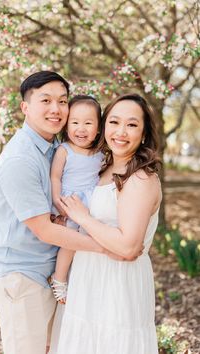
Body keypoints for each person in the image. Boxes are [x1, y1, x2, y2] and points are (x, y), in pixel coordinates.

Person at [0, 71, 128, 354]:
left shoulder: (54, 147)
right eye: (46, 100)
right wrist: (110, 245)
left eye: (62, 101)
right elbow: (45, 229)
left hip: (49, 272)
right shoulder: (20, 159)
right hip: (23, 276)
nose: (56, 109)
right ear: (25, 107)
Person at [53, 93, 162, 354]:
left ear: (144, 133)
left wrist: (82, 217)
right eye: (114, 122)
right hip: (88, 276)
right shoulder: (102, 169)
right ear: (104, 127)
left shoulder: (140, 179)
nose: (121, 132)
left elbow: (128, 247)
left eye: (132, 124)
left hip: (119, 284)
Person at [49, 95, 103, 304]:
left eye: (88, 123)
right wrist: (57, 201)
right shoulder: (65, 150)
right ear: (66, 124)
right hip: (71, 203)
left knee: (93, 241)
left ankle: (85, 281)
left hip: (92, 206)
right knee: (70, 242)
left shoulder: (100, 153)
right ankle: (59, 279)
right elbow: (55, 176)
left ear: (98, 128)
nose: (81, 128)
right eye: (75, 122)